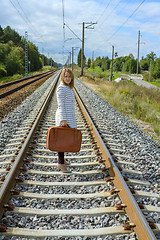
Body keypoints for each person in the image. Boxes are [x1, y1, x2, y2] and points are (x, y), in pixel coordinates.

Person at [55, 68, 77, 172]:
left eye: (69, 76)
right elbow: (61, 105)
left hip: (68, 117)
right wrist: (63, 120)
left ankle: (62, 160)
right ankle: (61, 163)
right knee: (62, 140)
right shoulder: (61, 88)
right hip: (64, 118)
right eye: (66, 76)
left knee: (64, 139)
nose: (67, 78)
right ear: (63, 77)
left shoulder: (68, 87)